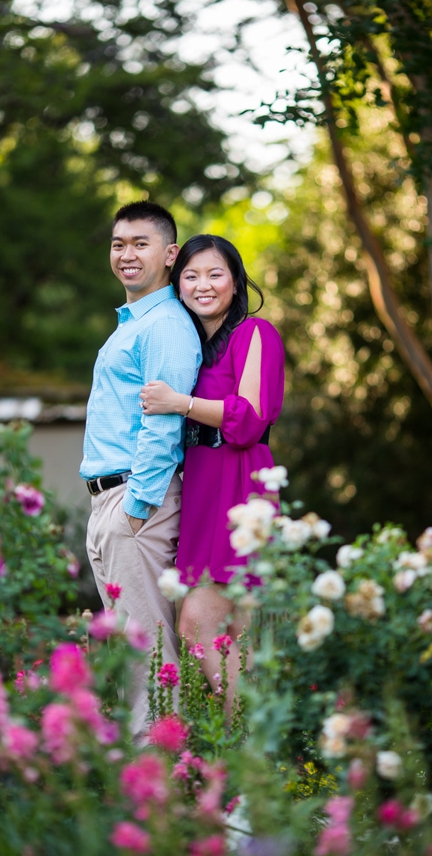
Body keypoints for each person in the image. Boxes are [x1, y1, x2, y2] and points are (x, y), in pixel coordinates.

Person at [139, 233, 285, 711]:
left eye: (215, 274)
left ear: (236, 282)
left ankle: (244, 749)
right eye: (191, 276)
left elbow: (248, 419)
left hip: (239, 485)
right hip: (201, 490)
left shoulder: (254, 334)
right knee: (231, 637)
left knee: (197, 623)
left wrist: (179, 403)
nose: (203, 285)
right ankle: (246, 763)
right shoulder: (193, 348)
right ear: (177, 285)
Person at [81, 200, 202, 734]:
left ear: (170, 254)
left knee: (147, 653)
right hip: (112, 502)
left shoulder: (166, 326)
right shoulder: (133, 324)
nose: (127, 254)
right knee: (128, 657)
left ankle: (157, 790)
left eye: (140, 243)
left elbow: (164, 423)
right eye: (118, 244)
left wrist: (137, 508)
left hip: (135, 503)